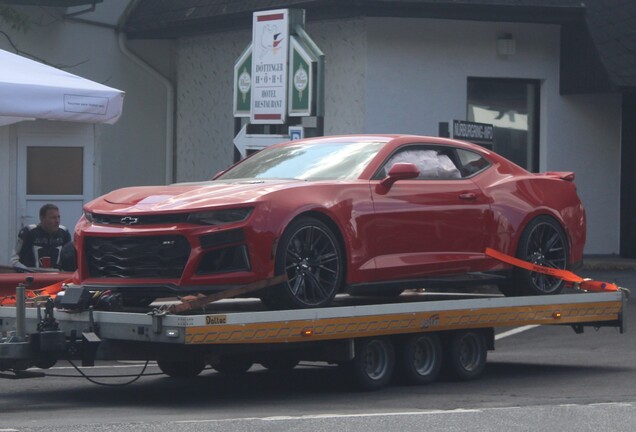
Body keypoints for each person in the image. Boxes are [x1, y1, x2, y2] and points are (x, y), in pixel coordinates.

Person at [10, 203, 72, 271]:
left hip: (57, 278)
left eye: (58, 217)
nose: (57, 221)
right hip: (31, 278)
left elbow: (70, 260)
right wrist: (27, 272)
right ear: (42, 218)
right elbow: (14, 260)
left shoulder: (64, 233)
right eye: (53, 218)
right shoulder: (28, 232)